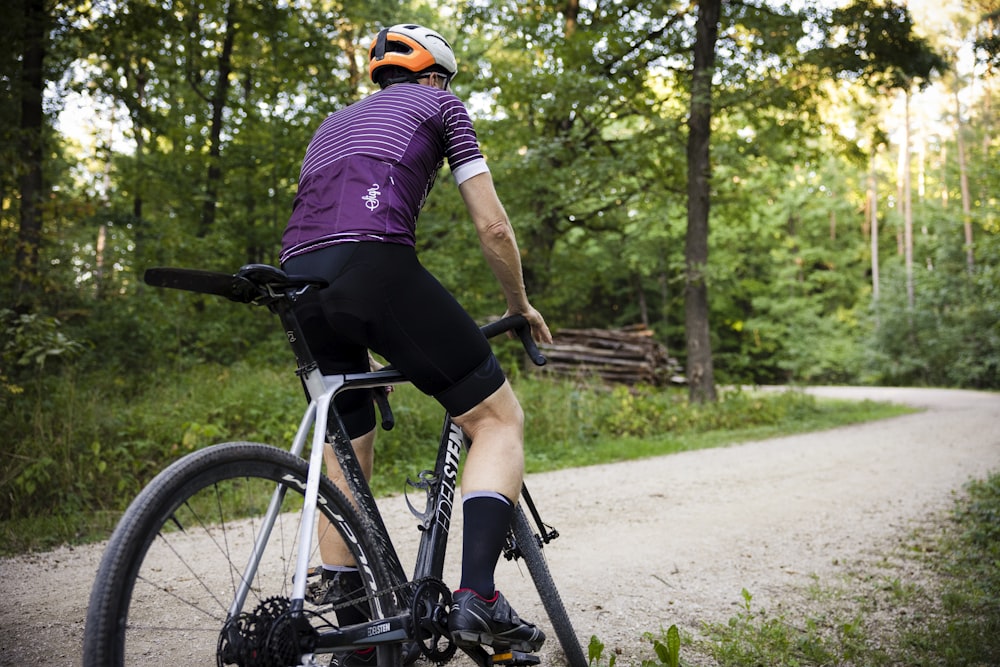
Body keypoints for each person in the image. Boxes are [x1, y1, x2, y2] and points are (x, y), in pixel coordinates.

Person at [279, 23, 552, 666]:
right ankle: (478, 599)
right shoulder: (441, 105)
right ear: (434, 75)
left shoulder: (331, 124)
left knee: (346, 445)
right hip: (375, 268)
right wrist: (519, 304)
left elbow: (325, 226)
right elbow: (492, 224)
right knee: (495, 419)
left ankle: (355, 636)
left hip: (295, 281)